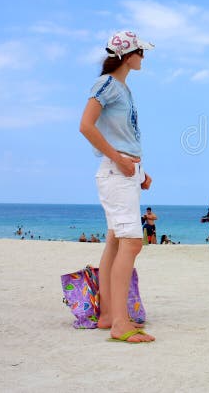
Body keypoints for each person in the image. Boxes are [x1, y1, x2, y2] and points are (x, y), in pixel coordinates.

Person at [79, 30, 155, 344]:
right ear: (127, 55)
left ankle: (109, 315)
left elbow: (122, 135)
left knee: (115, 240)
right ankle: (120, 324)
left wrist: (139, 170)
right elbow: (86, 126)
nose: (144, 57)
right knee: (131, 243)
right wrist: (121, 161)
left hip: (125, 171)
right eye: (141, 52)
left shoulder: (122, 88)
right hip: (116, 171)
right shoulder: (107, 84)